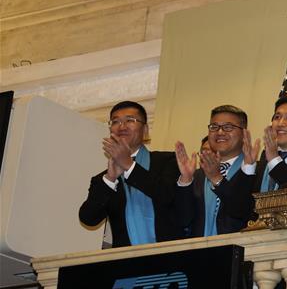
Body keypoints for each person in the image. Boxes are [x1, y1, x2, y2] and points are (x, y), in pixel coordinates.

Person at [78, 101, 182, 247]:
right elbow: (88, 219)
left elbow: (167, 196)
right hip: (125, 259)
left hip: (169, 256)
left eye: (130, 120)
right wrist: (110, 179)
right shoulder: (103, 179)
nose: (122, 126)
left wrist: (128, 165)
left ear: (145, 130)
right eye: (115, 121)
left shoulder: (167, 161)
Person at [174, 105, 260, 237]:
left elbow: (246, 212)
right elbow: (182, 221)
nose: (220, 132)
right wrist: (186, 180)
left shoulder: (255, 170)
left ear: (244, 133)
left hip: (239, 247)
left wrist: (217, 178)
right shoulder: (198, 175)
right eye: (214, 127)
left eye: (228, 127)